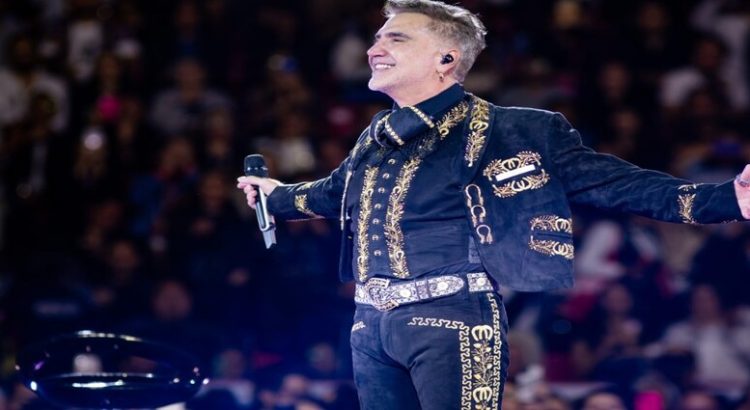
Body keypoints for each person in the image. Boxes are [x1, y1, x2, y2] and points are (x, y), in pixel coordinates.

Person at [237, 1, 750, 408]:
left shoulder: (515, 130)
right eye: (376, 36)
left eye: (396, 37)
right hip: (370, 325)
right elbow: (334, 194)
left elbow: (618, 183)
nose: (375, 47)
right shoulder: (377, 136)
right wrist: (276, 197)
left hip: (454, 317)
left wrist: (725, 198)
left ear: (445, 59)